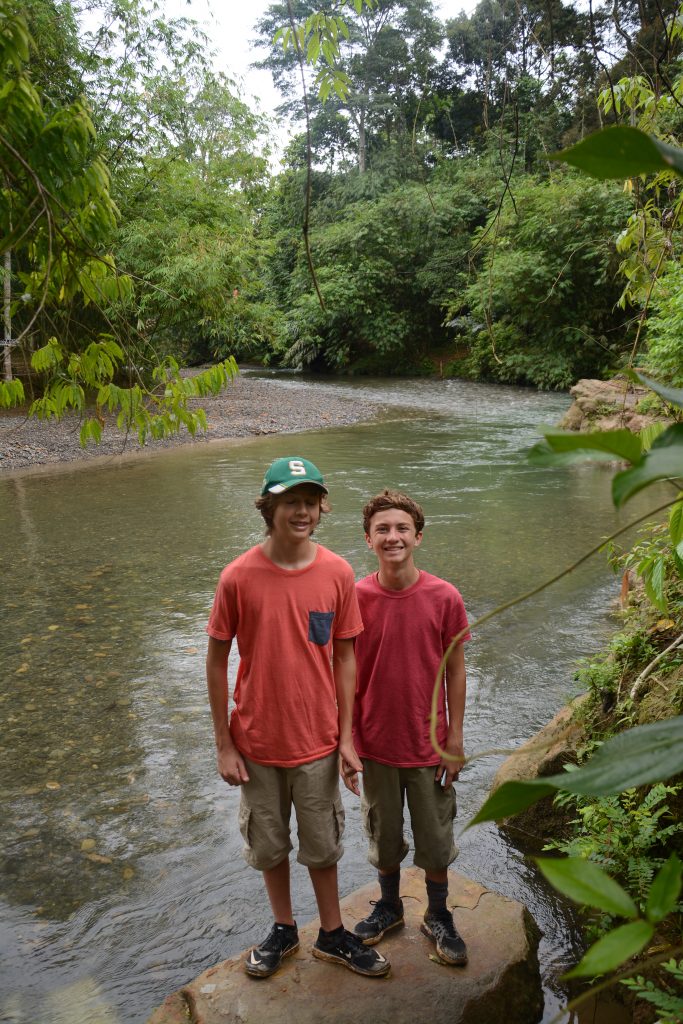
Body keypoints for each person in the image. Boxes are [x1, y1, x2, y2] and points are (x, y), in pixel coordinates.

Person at [205, 457, 390, 980]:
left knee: (323, 845)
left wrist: (347, 736)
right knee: (268, 845)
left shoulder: (336, 571)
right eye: (291, 501)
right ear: (269, 507)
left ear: (321, 507)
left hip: (317, 739)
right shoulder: (238, 576)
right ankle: (284, 927)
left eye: (310, 501)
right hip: (257, 740)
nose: (302, 511)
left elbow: (345, 656)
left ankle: (332, 934)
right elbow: (217, 661)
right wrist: (223, 743)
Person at [343, 489, 470, 966]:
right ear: (368, 539)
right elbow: (344, 671)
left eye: (401, 529)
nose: (392, 537)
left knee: (436, 837)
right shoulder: (354, 597)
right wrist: (345, 741)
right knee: (384, 834)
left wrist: (455, 737)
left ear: (418, 535)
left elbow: (456, 670)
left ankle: (438, 914)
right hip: (373, 743)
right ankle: (390, 905)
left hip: (428, 743)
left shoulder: (444, 596)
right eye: (382, 529)